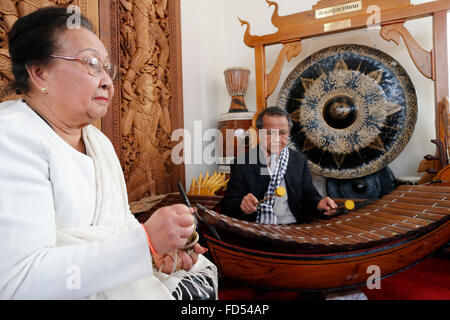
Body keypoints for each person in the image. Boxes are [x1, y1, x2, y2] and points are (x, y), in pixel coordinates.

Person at [0, 7, 217, 300]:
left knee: (202, 275)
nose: (108, 81)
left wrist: (157, 251)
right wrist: (144, 244)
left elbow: (118, 222)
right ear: (40, 73)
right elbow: (18, 282)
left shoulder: (97, 141)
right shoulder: (12, 136)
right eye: (91, 64)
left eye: (107, 68)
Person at [221, 106, 338, 224]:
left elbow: (308, 195)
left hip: (295, 226)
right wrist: (241, 203)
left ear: (289, 133)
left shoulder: (299, 160)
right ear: (258, 133)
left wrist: (319, 203)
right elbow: (228, 205)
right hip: (258, 229)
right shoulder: (241, 163)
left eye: (282, 133)